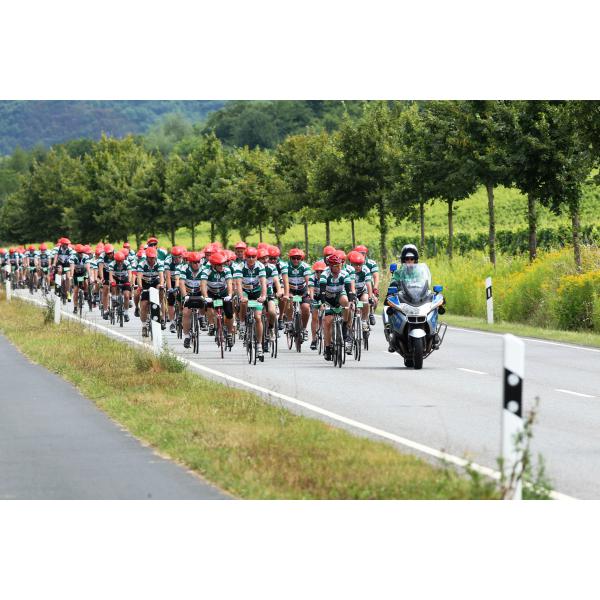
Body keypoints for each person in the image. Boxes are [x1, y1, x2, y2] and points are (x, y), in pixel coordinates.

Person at [233, 247, 267, 361]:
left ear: (256, 257)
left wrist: (263, 296)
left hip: (257, 291)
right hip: (245, 291)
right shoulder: (240, 267)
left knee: (258, 317)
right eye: (249, 257)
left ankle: (259, 345)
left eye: (253, 257)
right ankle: (242, 324)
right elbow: (238, 284)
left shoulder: (260, 266)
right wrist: (241, 297)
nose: (251, 259)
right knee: (243, 303)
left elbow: (263, 283)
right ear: (245, 257)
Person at [319, 254, 352, 360]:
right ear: (330, 266)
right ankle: (328, 348)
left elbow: (349, 290)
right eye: (336, 266)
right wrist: (323, 303)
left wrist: (351, 302)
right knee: (327, 321)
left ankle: (344, 325)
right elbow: (322, 291)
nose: (338, 268)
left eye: (340, 265)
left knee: (346, 301)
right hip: (328, 298)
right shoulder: (325, 274)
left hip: (339, 295)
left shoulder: (344, 274)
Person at [200, 251, 235, 347]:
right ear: (213, 265)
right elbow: (203, 285)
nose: (222, 266)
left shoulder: (227, 270)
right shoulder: (206, 271)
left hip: (224, 293)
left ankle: (229, 334)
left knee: (229, 314)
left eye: (223, 264)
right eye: (219, 265)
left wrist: (230, 295)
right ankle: (213, 325)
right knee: (209, 307)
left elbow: (229, 283)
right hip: (212, 293)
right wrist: (205, 297)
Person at [136, 246, 165, 336]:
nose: (152, 260)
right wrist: (140, 287)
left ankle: (160, 306)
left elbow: (161, 276)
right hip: (145, 283)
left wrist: (161, 284)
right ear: (147, 257)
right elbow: (139, 277)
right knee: (144, 304)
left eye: (153, 258)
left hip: (155, 282)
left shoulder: (159, 263)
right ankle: (144, 326)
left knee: (161, 288)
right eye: (150, 258)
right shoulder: (142, 264)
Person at [257, 247, 283, 352]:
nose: (265, 260)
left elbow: (276, 280)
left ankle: (271, 328)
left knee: (272, 312)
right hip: (257, 295)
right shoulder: (255, 268)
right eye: (262, 258)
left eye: (266, 258)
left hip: (269, 293)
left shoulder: (272, 267)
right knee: (259, 315)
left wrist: (279, 291)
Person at [178, 251, 205, 349]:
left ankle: (201, 317)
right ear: (190, 262)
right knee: (186, 313)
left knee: (205, 302)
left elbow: (205, 284)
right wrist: (185, 296)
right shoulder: (184, 268)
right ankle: (186, 337)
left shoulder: (204, 269)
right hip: (188, 293)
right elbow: (181, 283)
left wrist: (204, 295)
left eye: (198, 262)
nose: (197, 264)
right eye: (194, 262)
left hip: (199, 292)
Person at [285, 248, 312, 342]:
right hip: (290, 289)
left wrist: (308, 291)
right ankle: (289, 321)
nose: (296, 260)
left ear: (302, 259)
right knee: (289, 300)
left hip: (302, 289)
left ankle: (304, 329)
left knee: (306, 307)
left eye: (298, 258)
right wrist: (286, 293)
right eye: (293, 258)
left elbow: (308, 280)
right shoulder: (286, 266)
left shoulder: (305, 266)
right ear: (290, 258)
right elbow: (283, 280)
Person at [347, 250, 373, 334]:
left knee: (365, 301)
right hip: (351, 292)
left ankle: (364, 320)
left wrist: (370, 297)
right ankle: (348, 326)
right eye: (356, 264)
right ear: (351, 263)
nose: (358, 266)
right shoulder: (348, 270)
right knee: (350, 307)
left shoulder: (365, 269)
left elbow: (368, 284)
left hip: (362, 291)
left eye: (360, 264)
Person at [354, 245, 379, 325]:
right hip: (355, 287)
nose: (361, 255)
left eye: (363, 253)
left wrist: (375, 288)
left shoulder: (371, 263)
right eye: (359, 253)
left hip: (368, 285)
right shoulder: (352, 264)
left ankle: (371, 313)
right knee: (358, 303)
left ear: (366, 254)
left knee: (374, 300)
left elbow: (376, 277)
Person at [108, 251, 133, 322]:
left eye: (121, 261)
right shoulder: (112, 264)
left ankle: (126, 313)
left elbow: (130, 274)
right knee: (113, 283)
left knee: (126, 296)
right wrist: (112, 282)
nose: (119, 263)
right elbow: (110, 276)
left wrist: (129, 281)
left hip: (125, 278)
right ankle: (114, 299)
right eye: (118, 261)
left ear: (123, 260)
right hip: (115, 277)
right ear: (115, 260)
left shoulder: (127, 263)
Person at [164, 246, 184, 333]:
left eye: (179, 257)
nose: (176, 259)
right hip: (171, 280)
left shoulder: (185, 260)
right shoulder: (168, 261)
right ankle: (172, 322)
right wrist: (170, 289)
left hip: (181, 280)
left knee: (182, 299)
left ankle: (181, 314)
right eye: (174, 257)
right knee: (171, 300)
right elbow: (168, 277)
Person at [308, 260, 326, 350]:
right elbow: (311, 289)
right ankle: (314, 339)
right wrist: (311, 299)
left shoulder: (326, 277)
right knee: (314, 317)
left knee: (325, 316)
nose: (319, 273)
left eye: (321, 271)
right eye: (317, 271)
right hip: (315, 296)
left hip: (324, 296)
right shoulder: (312, 277)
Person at [69, 244, 91, 313]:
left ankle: (86, 293)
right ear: (76, 252)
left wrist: (89, 275)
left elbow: (88, 266)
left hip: (83, 272)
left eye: (82, 252)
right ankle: (75, 307)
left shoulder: (86, 256)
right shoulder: (73, 257)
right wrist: (71, 275)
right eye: (79, 253)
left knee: (86, 282)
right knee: (75, 290)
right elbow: (72, 266)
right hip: (76, 273)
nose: (81, 254)